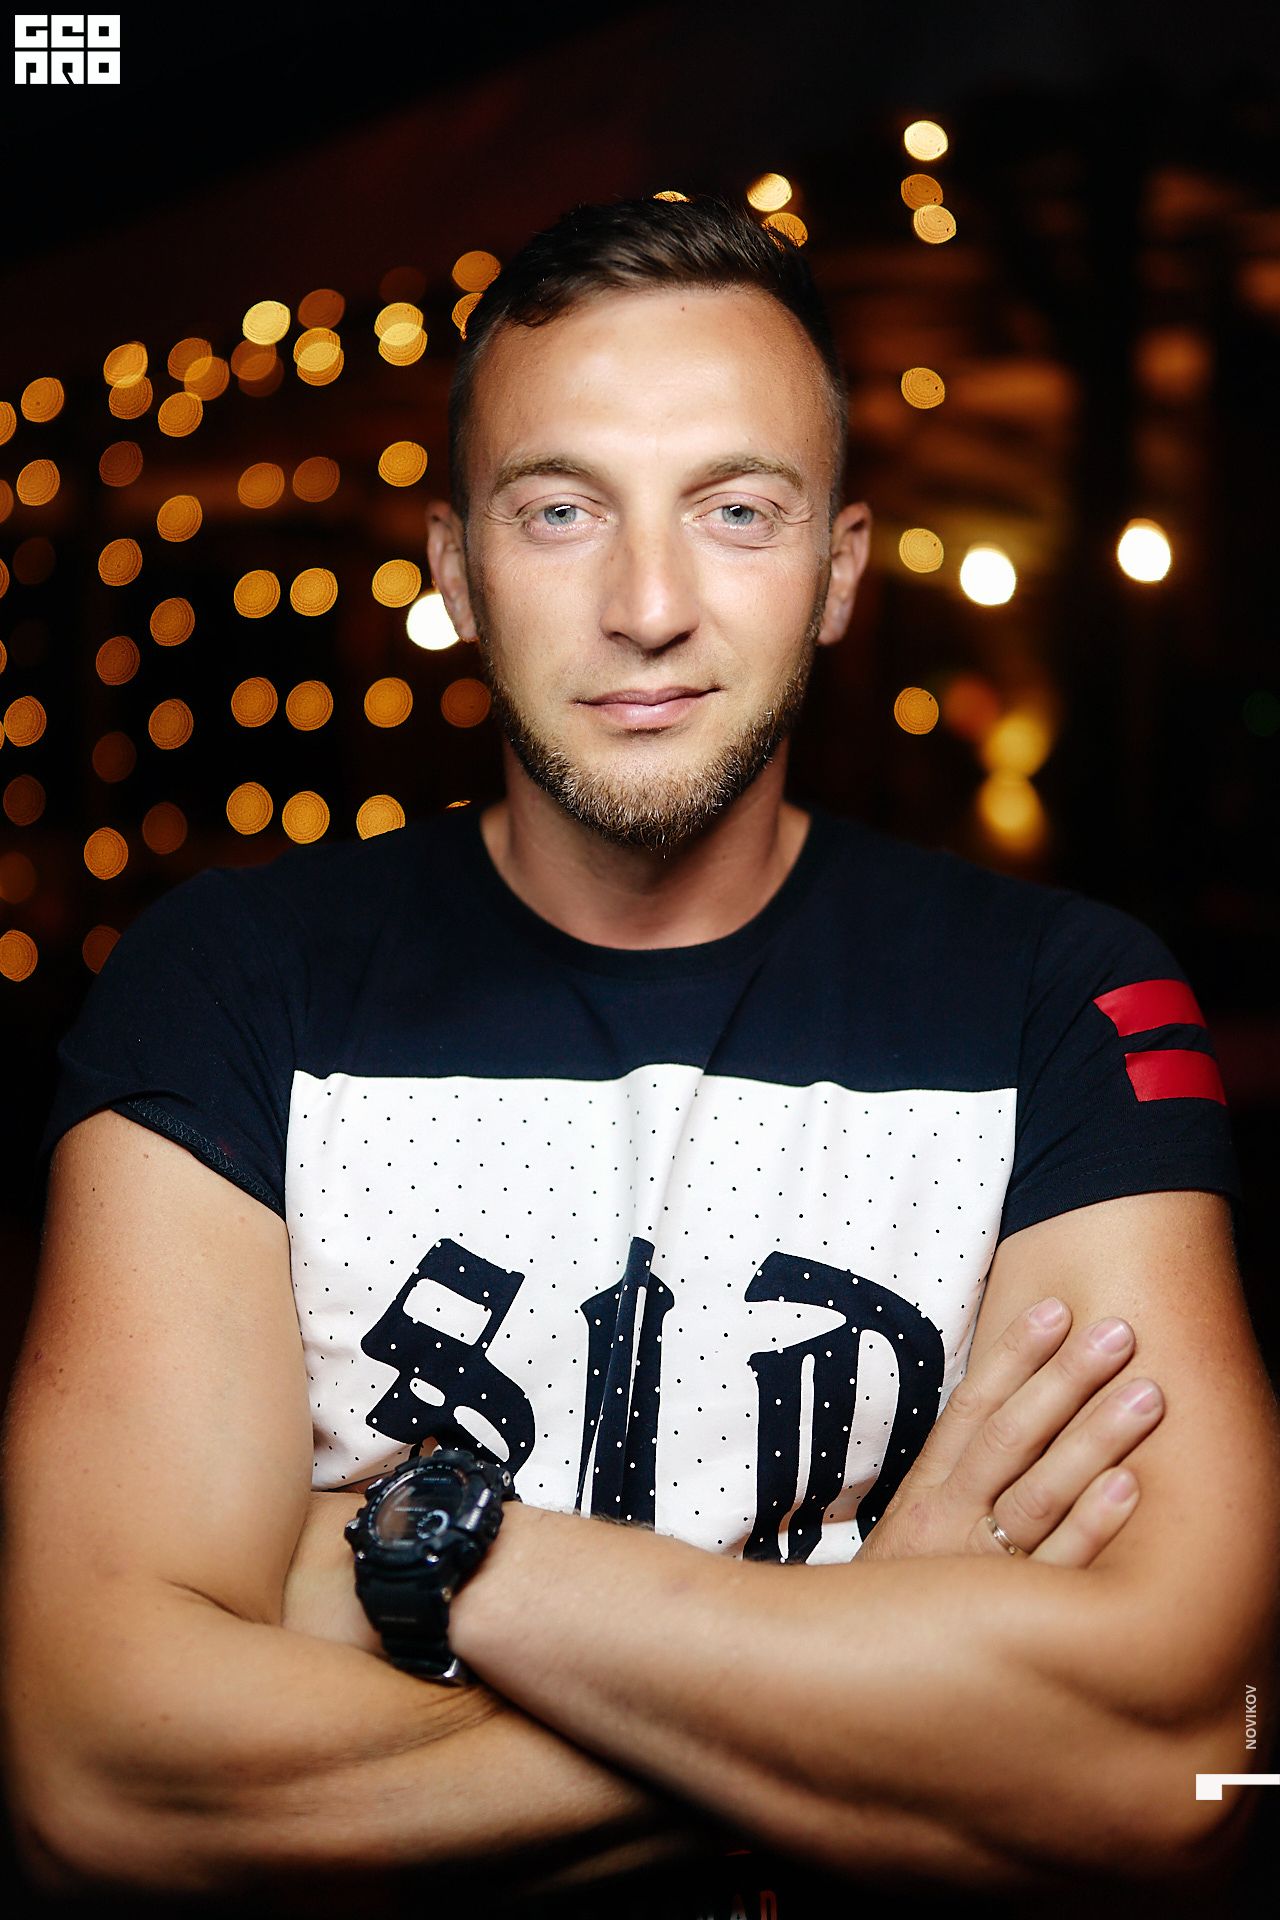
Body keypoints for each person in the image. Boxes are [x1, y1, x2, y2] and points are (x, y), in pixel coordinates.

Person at [3, 197, 1276, 1911]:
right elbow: (99, 1781)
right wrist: (871, 1670)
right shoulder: (232, 988)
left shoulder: (1062, 1002)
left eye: (736, 511)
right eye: (562, 510)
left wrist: (435, 1560)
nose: (651, 605)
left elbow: (1194, 1760)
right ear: (455, 569)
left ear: (838, 570)